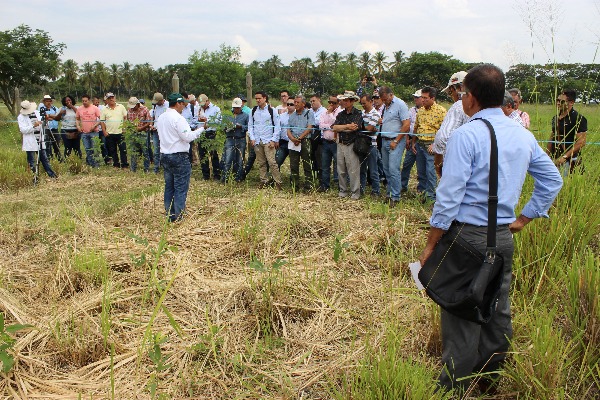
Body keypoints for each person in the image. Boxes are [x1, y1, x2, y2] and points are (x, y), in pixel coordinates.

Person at [418, 64, 563, 396]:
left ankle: (452, 388)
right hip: (502, 236)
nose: (462, 99)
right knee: (497, 308)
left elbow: (449, 198)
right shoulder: (522, 134)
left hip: (467, 235)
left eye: (463, 93)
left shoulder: (466, 135)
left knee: (460, 311)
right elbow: (552, 179)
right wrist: (524, 219)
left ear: (471, 97)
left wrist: (430, 245)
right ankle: (490, 380)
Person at [156, 93, 205, 222]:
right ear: (177, 103)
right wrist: (201, 129)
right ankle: (179, 216)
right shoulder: (178, 118)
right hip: (179, 156)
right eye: (183, 104)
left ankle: (170, 214)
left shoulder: (161, 118)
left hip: (165, 155)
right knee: (180, 187)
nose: (183, 106)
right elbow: (187, 137)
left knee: (169, 186)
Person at [412, 87, 447, 202]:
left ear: (432, 98)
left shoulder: (441, 111)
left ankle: (431, 197)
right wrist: (413, 142)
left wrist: (435, 145)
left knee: (431, 172)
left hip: (431, 147)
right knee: (421, 171)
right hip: (420, 144)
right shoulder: (421, 111)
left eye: (425, 98)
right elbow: (416, 127)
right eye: (421, 97)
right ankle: (422, 193)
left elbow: (444, 131)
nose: (422, 100)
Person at [433, 71, 470, 178]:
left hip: (457, 164)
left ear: (458, 88)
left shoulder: (458, 106)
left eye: (450, 92)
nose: (451, 96)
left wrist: (438, 164)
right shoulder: (484, 105)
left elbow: (442, 138)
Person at [378, 86, 410, 207]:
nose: (384, 101)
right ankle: (389, 193)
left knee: (393, 169)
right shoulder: (385, 106)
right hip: (385, 140)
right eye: (382, 99)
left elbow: (406, 125)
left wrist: (396, 141)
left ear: (391, 94)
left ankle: (395, 196)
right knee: (386, 169)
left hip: (395, 141)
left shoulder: (401, 105)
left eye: (385, 98)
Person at [332, 91, 365, 200]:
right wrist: (346, 126)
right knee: (340, 169)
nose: (343, 102)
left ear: (352, 101)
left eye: (346, 100)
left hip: (352, 143)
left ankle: (355, 192)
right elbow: (334, 127)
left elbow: (354, 127)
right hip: (340, 143)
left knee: (353, 169)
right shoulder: (341, 114)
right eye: (343, 100)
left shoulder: (358, 113)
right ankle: (343, 190)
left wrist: (342, 127)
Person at [549, 88, 588, 176]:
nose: (558, 103)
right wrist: (547, 155)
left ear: (571, 102)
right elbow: (552, 137)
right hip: (554, 159)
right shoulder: (555, 118)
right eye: (557, 100)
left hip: (569, 160)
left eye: (562, 101)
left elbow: (581, 142)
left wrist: (564, 157)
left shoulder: (578, 119)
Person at [248, 91, 282, 189]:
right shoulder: (253, 111)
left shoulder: (272, 110)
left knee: (272, 162)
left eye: (259, 98)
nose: (258, 100)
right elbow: (250, 125)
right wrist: (252, 138)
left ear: (265, 98)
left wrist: (273, 140)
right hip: (257, 141)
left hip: (268, 141)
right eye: (256, 98)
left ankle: (278, 182)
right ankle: (264, 180)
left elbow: (277, 126)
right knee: (261, 162)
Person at [17, 100, 57, 179]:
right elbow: (23, 130)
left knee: (44, 159)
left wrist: (45, 121)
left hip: (40, 138)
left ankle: (52, 175)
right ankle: (35, 177)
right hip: (30, 141)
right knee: (32, 161)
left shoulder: (37, 113)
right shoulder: (21, 117)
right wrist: (33, 126)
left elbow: (45, 125)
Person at [287, 95, 315, 191]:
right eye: (294, 102)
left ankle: (309, 186)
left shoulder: (309, 113)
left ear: (303, 104)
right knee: (293, 165)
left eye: (297, 102)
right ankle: (295, 186)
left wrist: (300, 138)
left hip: (305, 141)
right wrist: (292, 139)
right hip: (293, 142)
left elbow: (310, 127)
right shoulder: (292, 116)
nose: (295, 104)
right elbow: (288, 130)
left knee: (307, 164)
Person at [221, 98, 249, 182]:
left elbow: (248, 127)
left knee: (240, 160)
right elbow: (222, 126)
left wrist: (240, 126)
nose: (236, 109)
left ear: (241, 107)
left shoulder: (245, 116)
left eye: (237, 107)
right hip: (230, 139)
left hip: (241, 139)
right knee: (228, 159)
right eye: (234, 107)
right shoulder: (227, 115)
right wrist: (226, 127)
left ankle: (238, 178)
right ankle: (225, 178)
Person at [400, 89, 423, 193]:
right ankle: (402, 185)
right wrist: (407, 139)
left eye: (417, 97)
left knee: (421, 167)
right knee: (406, 164)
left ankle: (421, 188)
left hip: (421, 141)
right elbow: (406, 125)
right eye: (415, 97)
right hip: (410, 138)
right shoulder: (411, 110)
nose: (415, 99)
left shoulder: (427, 111)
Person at [359, 94, 381, 197]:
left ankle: (376, 191)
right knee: (362, 169)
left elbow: (369, 128)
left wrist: (359, 127)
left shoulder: (376, 114)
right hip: (361, 145)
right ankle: (361, 190)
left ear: (370, 101)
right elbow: (367, 128)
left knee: (373, 170)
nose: (363, 105)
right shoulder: (361, 113)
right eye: (361, 103)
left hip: (372, 145)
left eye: (364, 103)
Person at [317, 95, 341, 192]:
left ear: (338, 103)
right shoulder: (324, 112)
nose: (331, 104)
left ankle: (341, 186)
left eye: (333, 103)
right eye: (329, 102)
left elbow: (336, 124)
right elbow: (320, 125)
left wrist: (330, 114)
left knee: (339, 165)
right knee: (325, 165)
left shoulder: (340, 112)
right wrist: (329, 126)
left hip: (335, 142)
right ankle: (325, 186)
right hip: (325, 142)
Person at [100, 92, 128, 168]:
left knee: (123, 149)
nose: (111, 99)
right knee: (113, 150)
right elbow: (102, 121)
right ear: (107, 100)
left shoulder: (121, 107)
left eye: (112, 97)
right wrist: (104, 132)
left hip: (121, 132)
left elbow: (125, 117)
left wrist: (124, 128)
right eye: (109, 98)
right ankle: (116, 164)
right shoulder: (104, 109)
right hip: (110, 133)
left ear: (115, 98)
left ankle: (124, 165)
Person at [198, 94, 222, 180]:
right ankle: (206, 175)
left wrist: (206, 120)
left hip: (211, 133)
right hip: (201, 133)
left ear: (208, 101)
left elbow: (219, 121)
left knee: (213, 154)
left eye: (204, 104)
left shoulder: (216, 109)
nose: (202, 106)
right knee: (202, 155)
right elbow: (195, 120)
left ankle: (216, 174)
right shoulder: (199, 109)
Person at [126, 97, 152, 172]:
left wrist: (141, 128)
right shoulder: (129, 111)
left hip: (143, 133)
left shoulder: (145, 109)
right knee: (133, 151)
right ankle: (133, 168)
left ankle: (146, 168)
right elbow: (128, 121)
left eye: (134, 106)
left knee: (145, 151)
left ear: (137, 104)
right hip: (133, 133)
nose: (132, 108)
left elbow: (148, 122)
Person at [76, 94, 101, 168]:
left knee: (95, 149)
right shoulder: (79, 109)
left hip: (94, 132)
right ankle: (90, 163)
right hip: (84, 133)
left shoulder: (95, 108)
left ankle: (96, 164)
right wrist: (78, 126)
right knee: (87, 149)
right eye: (83, 101)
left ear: (89, 101)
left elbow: (101, 119)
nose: (84, 102)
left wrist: (95, 125)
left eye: (86, 101)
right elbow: (77, 119)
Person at [38, 95, 63, 162]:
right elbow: (43, 117)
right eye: (47, 101)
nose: (48, 102)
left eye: (50, 101)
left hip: (54, 129)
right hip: (46, 129)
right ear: (44, 102)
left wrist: (50, 116)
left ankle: (59, 159)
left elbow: (58, 117)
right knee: (47, 145)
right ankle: (49, 159)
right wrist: (52, 117)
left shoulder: (54, 108)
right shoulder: (41, 108)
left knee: (56, 144)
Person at [150, 92, 169, 173]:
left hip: (165, 131)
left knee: (165, 150)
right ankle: (156, 168)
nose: (156, 103)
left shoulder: (168, 105)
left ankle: (166, 168)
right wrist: (151, 125)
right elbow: (152, 116)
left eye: (157, 102)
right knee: (156, 151)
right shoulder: (155, 106)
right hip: (156, 131)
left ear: (161, 100)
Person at [309, 95, 326, 183]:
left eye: (314, 101)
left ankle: (321, 179)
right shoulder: (309, 111)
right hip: (310, 138)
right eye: (311, 101)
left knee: (320, 159)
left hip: (320, 139)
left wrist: (310, 122)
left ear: (319, 100)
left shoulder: (324, 111)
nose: (312, 103)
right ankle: (313, 177)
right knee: (312, 158)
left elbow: (319, 122)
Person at [276, 97, 295, 168]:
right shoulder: (282, 116)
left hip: (294, 142)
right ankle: (275, 178)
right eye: (288, 104)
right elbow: (278, 129)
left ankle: (293, 179)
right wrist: (277, 140)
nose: (289, 106)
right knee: (277, 161)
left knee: (293, 164)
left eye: (291, 104)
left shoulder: (299, 116)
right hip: (283, 142)